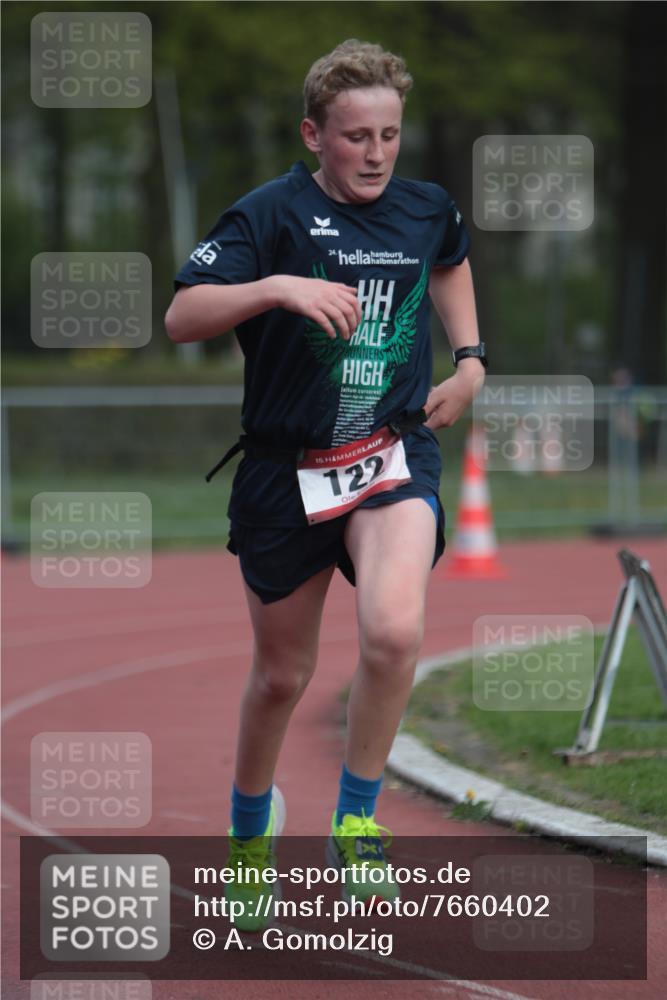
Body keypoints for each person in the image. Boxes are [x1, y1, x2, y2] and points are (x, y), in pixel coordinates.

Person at [165, 39, 486, 931]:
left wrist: (469, 360)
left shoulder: (425, 209)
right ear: (315, 134)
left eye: (388, 133)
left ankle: (355, 817)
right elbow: (182, 313)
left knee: (392, 631)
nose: (376, 152)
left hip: (388, 453)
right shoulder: (269, 214)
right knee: (281, 677)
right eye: (355, 136)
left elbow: (451, 262)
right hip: (283, 472)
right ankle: (249, 836)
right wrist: (274, 288)